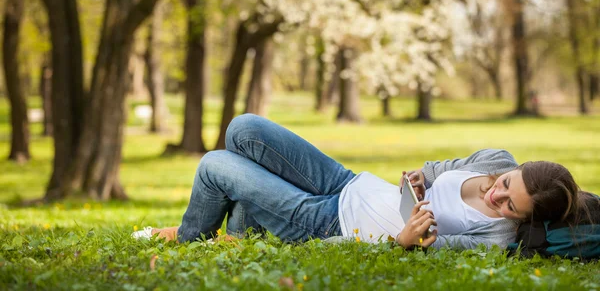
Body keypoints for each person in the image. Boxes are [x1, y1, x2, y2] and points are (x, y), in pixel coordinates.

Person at [133, 114, 580, 250]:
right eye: (505, 183)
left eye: (509, 204)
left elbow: (428, 251)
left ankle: (191, 239)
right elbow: (441, 166)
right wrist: (421, 176)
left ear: (521, 221)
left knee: (215, 164)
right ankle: (238, 235)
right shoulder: (496, 158)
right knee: (242, 131)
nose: (496, 193)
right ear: (513, 168)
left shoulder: (495, 237)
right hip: (347, 182)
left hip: (328, 223)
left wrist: (404, 240)